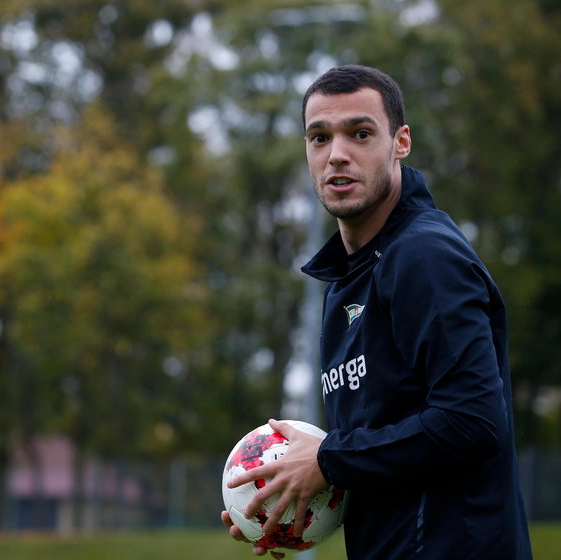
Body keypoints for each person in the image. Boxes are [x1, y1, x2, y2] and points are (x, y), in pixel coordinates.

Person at [221, 65, 533, 559]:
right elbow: (381, 452)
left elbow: (472, 422)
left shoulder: (424, 256)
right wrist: (275, 506)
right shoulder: (347, 279)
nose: (337, 154)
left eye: (360, 133)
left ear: (400, 142)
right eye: (319, 137)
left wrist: (328, 459)